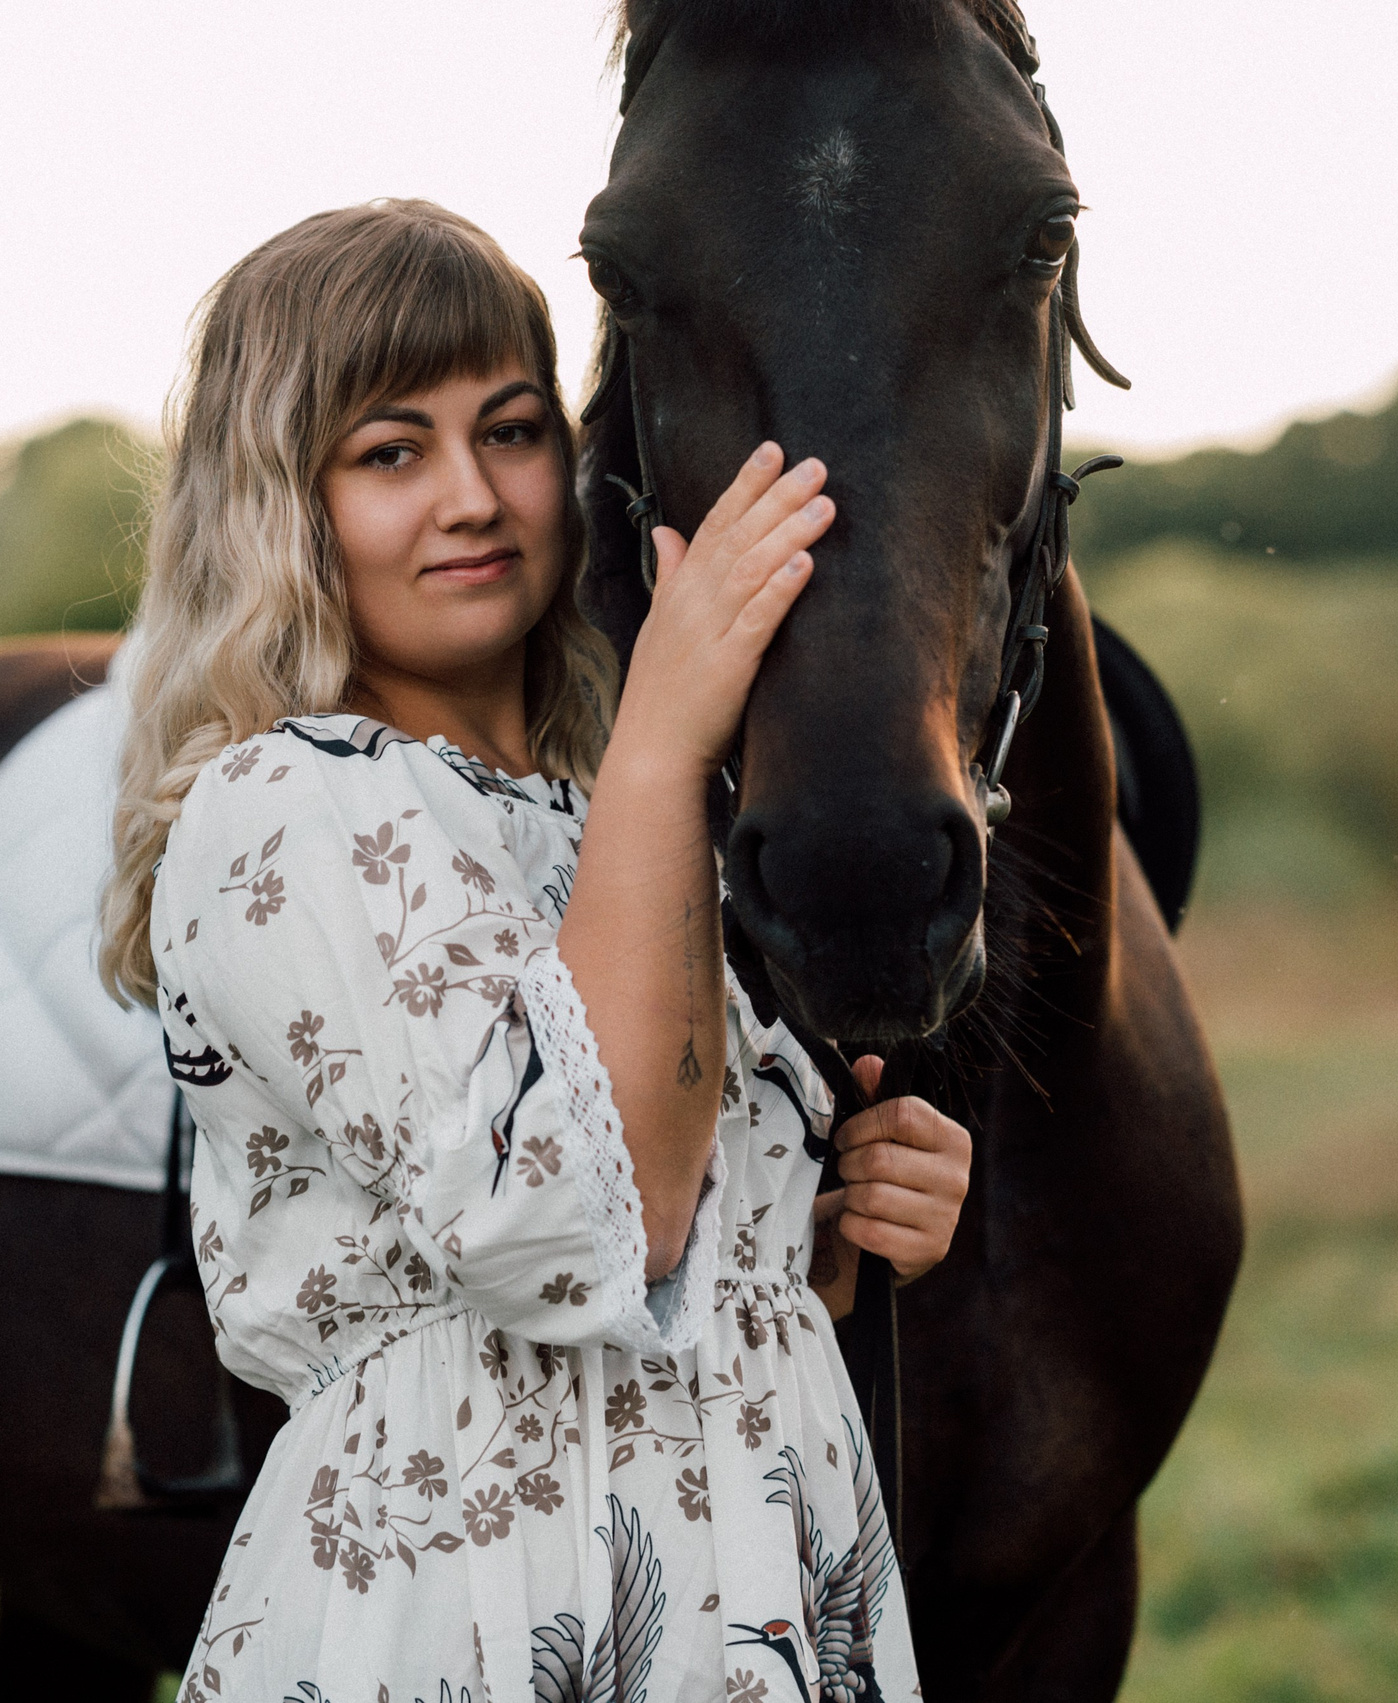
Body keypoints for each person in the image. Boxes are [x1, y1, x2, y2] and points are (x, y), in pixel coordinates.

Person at [100, 200, 971, 1703]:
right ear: (277, 502)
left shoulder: (612, 816)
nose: (473, 497)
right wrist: (665, 731)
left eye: (509, 432)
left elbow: (683, 1244)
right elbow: (587, 1218)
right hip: (478, 1606)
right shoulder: (279, 807)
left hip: (756, 1585)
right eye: (391, 452)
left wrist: (822, 1228)